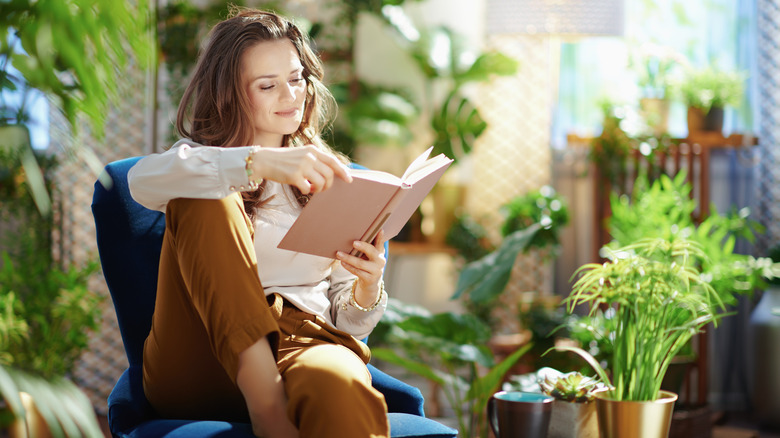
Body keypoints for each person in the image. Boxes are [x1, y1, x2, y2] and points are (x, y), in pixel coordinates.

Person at [127, 7, 390, 438]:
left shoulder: (334, 178)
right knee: (205, 196)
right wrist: (260, 161)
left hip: (303, 341)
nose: (290, 96)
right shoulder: (199, 163)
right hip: (200, 357)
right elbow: (139, 182)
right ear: (230, 94)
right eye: (268, 86)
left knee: (340, 384)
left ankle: (281, 393)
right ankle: (267, 406)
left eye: (296, 78)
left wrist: (366, 284)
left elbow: (347, 322)